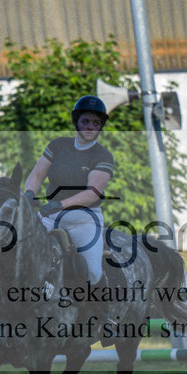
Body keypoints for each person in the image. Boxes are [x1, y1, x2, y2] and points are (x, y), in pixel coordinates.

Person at [23, 94, 115, 292]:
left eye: (96, 123)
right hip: (48, 216)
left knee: (92, 272)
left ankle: (103, 313)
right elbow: (37, 176)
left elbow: (92, 194)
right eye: (85, 121)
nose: (90, 127)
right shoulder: (57, 146)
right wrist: (29, 193)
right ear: (76, 121)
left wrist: (60, 204)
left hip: (83, 220)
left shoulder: (103, 156)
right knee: (19, 254)